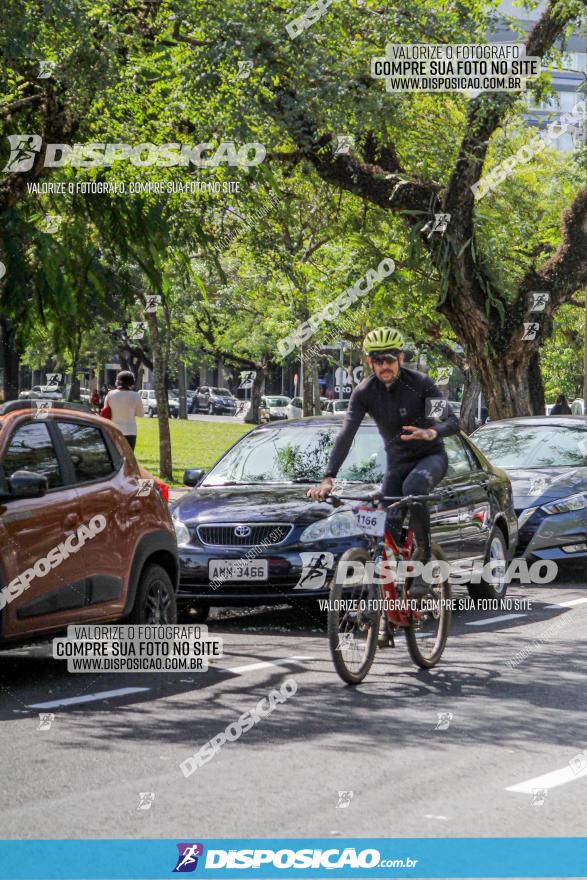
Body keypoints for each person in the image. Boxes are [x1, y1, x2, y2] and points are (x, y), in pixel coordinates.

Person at [307, 326, 460, 601]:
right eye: (378, 360)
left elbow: (453, 422)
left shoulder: (421, 384)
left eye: (389, 359)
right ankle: (385, 611)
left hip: (430, 458)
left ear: (400, 358)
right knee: (386, 524)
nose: (384, 366)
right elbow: (346, 434)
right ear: (370, 362)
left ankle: (423, 560)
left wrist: (431, 432)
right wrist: (328, 477)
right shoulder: (365, 392)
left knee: (414, 489)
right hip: (397, 464)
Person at [103, 371, 143, 451]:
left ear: (117, 381)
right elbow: (140, 414)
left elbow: (105, 410)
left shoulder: (110, 394)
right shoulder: (136, 395)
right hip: (130, 431)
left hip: (113, 430)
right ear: (131, 382)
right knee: (129, 458)